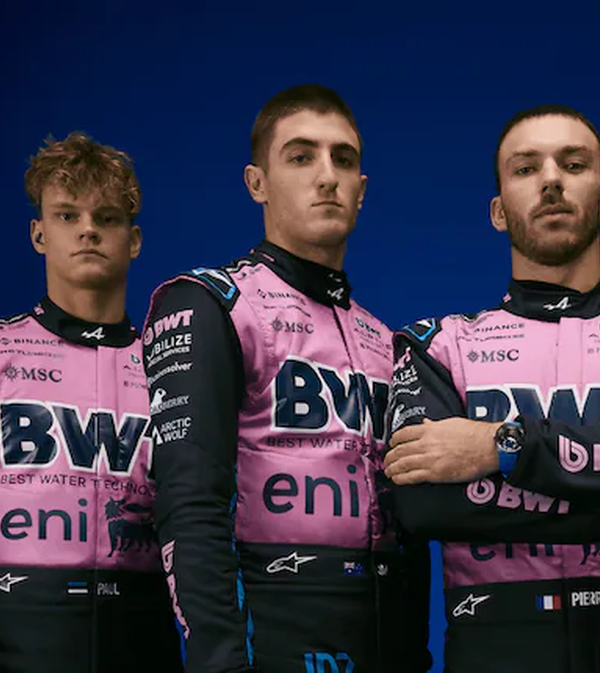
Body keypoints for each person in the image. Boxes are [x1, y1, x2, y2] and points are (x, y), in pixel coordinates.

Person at [383, 105, 600, 673]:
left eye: (573, 164)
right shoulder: (436, 346)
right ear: (499, 212)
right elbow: (422, 504)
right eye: (526, 169)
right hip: (492, 650)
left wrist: (505, 447)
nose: (550, 180)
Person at [144, 84, 430, 673]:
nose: (326, 176)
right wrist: (222, 661)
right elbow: (188, 501)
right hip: (269, 635)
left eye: (342, 160)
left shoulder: (385, 340)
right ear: (258, 182)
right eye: (301, 157)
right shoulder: (211, 303)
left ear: (361, 189)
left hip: (385, 640)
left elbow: (410, 516)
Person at [0, 132, 181, 672]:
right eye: (67, 215)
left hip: (146, 648)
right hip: (12, 650)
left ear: (134, 239)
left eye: (107, 217)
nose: (88, 229)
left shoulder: (175, 368)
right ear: (38, 233)